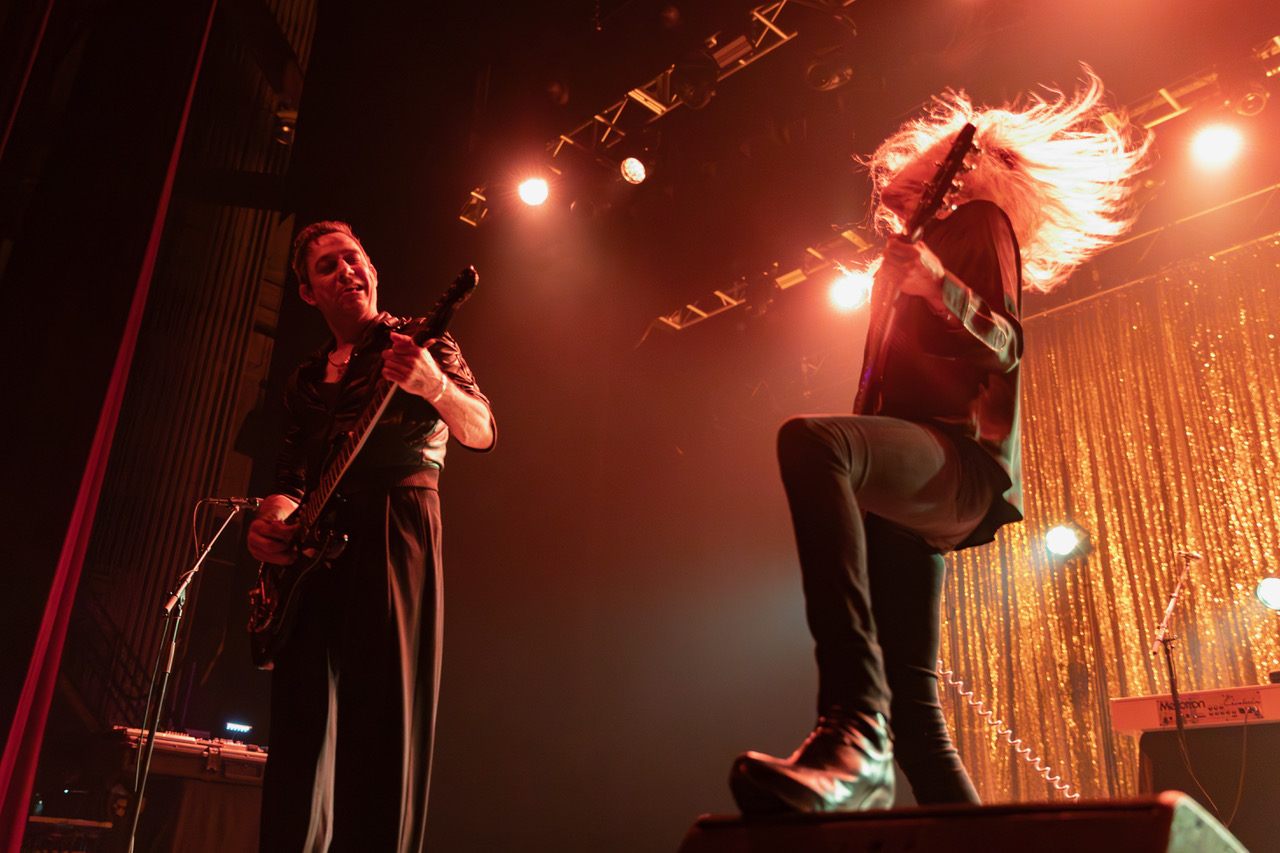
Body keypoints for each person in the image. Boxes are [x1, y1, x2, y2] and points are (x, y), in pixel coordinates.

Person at [729, 70, 1148, 813]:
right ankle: (909, 774)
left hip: (954, 462)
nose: (893, 188)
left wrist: (934, 285)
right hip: (908, 478)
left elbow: (1004, 346)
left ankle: (852, 726)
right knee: (919, 719)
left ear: (954, 174)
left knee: (811, 441)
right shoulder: (907, 251)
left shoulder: (980, 223)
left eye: (909, 178)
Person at [246, 220, 495, 852]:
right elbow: (290, 476)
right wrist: (272, 522)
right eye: (326, 267)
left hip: (395, 517)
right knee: (301, 727)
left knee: (381, 719)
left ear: (372, 270)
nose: (344, 272)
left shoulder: (421, 340)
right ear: (308, 293)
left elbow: (482, 428)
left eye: (352, 259)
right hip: (313, 549)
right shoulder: (304, 381)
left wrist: (431, 385)